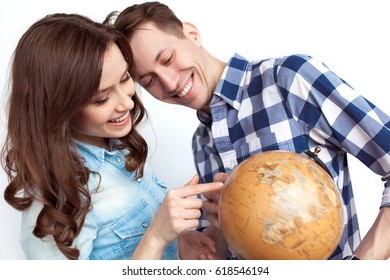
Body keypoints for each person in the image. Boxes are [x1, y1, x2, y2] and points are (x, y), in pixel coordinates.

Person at [107, 1, 390, 260]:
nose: (168, 83)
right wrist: (209, 237)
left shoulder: (289, 79)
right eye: (149, 80)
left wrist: (360, 267)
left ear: (191, 34)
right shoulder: (201, 143)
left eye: (167, 58)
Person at [1, 13, 223, 260]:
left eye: (126, 78)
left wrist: (179, 243)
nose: (127, 102)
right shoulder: (55, 203)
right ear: (58, 109)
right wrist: (157, 237)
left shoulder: (119, 150)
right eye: (102, 98)